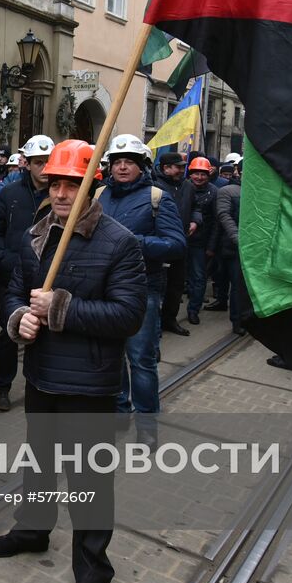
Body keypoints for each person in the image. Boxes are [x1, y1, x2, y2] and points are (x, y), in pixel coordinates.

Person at [0, 139, 147, 583]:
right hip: (42, 376)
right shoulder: (37, 233)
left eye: (71, 183)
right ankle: (32, 531)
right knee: (39, 464)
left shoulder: (119, 242)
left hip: (90, 384)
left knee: (89, 481)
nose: (60, 192)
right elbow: (15, 289)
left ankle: (94, 571)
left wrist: (59, 309)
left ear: (92, 184)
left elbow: (127, 315)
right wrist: (17, 319)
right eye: (54, 182)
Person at [95, 135, 185, 426]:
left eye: (128, 162)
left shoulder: (157, 197)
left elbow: (176, 245)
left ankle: (147, 423)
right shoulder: (98, 196)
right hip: (105, 289)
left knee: (141, 360)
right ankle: (120, 411)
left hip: (142, 288)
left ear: (141, 166)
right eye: (117, 162)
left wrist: (135, 242)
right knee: (113, 356)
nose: (121, 167)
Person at [0, 134, 53, 412]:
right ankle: (2, 385)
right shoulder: (9, 195)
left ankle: (42, 384)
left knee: (46, 334)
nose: (44, 168)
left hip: (48, 278)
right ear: (27, 164)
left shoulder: (60, 194)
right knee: (8, 334)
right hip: (12, 276)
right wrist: (2, 261)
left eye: (48, 162)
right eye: (39, 162)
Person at [153, 153, 196, 337]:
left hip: (181, 244)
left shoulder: (188, 186)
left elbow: (196, 207)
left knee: (176, 285)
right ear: (165, 168)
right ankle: (154, 324)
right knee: (158, 286)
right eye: (177, 167)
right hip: (160, 244)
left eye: (182, 166)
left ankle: (170, 320)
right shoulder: (154, 187)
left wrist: (196, 220)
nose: (181, 170)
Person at [183, 157, 217, 325]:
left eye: (202, 174)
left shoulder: (213, 192)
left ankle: (193, 309)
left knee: (199, 277)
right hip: (181, 240)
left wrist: (211, 245)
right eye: (196, 173)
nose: (199, 177)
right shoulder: (182, 188)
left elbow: (217, 222)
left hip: (200, 242)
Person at [214, 170, 247, 336]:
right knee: (238, 285)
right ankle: (238, 320)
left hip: (256, 247)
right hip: (234, 248)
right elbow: (224, 216)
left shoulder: (261, 190)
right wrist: (238, 239)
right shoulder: (228, 191)